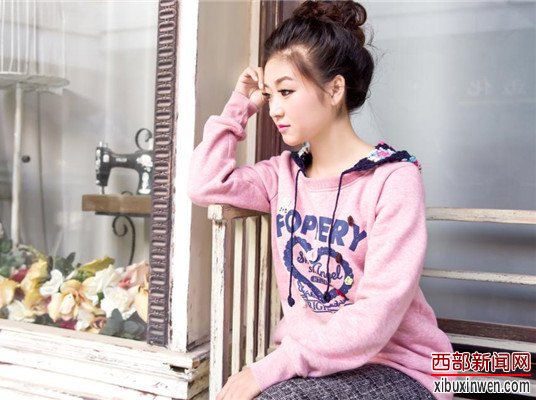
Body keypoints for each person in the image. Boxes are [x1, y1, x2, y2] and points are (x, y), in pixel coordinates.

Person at [188, 1, 453, 399]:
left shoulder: (393, 179)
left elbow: (375, 316)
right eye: (270, 94)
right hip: (313, 366)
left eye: (286, 91)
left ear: (334, 89)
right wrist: (240, 104)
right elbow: (204, 183)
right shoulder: (282, 176)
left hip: (399, 366)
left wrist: (267, 369)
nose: (274, 108)